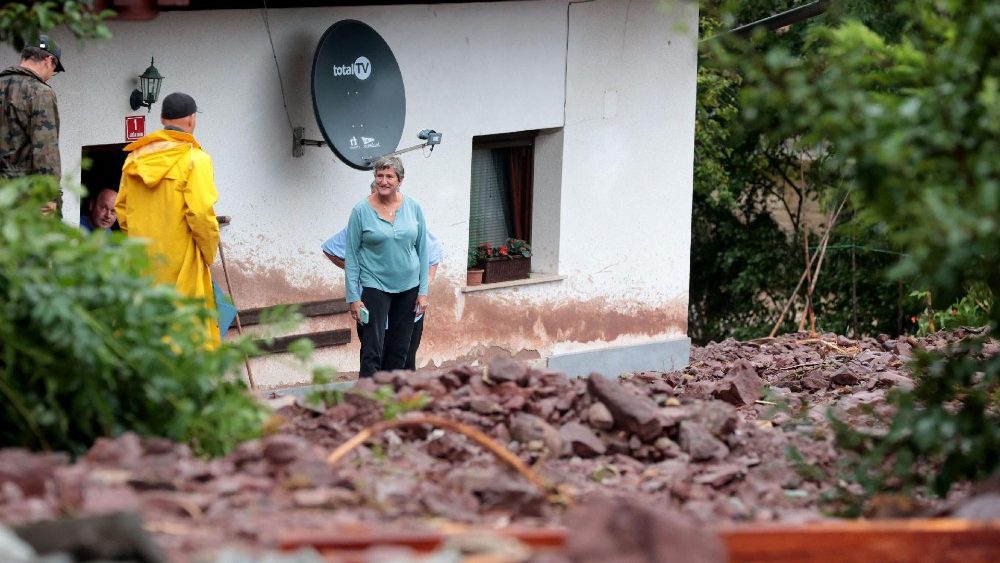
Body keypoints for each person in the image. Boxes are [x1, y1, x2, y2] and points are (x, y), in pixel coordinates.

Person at [115, 92, 220, 346]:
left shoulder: (134, 158)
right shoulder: (196, 160)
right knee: (185, 338)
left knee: (146, 333)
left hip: (142, 262)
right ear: (192, 119)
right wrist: (208, 253)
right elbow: (201, 214)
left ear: (162, 118)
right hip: (181, 263)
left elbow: (122, 211)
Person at [345, 155, 429, 378]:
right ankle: (368, 394)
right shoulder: (360, 211)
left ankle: (392, 393)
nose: (384, 181)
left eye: (389, 176)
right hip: (375, 285)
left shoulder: (414, 207)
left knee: (400, 348)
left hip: (409, 286)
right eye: (379, 176)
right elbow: (351, 256)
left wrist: (423, 292)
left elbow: (423, 251)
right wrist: (353, 297)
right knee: (372, 347)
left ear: (400, 180)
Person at [323, 217, 442, 370]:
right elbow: (331, 249)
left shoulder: (411, 222)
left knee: (405, 365)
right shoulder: (363, 222)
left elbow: (433, 255)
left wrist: (423, 285)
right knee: (373, 363)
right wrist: (359, 270)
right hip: (373, 310)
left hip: (408, 310)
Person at [0, 35, 64, 213]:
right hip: (24, 197)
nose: (50, 77)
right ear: (49, 60)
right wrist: (49, 195)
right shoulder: (40, 92)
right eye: (54, 70)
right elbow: (45, 149)